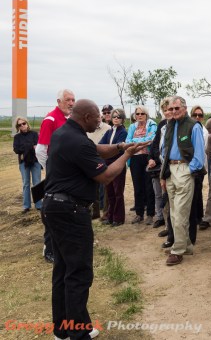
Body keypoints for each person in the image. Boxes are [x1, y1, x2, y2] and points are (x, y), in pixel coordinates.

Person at [42, 99, 148, 340]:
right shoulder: (78, 141)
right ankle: (79, 333)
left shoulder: (64, 133)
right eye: (98, 118)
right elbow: (106, 175)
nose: (101, 120)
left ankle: (63, 329)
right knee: (78, 273)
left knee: (62, 269)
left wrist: (121, 146)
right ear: (87, 118)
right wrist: (128, 155)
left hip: (54, 207)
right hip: (70, 212)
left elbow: (97, 150)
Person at [160, 96, 205, 266]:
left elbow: (200, 155)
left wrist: (188, 171)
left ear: (184, 108)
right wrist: (163, 175)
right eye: (170, 109)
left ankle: (177, 250)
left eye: (176, 108)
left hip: (184, 170)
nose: (173, 112)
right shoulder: (169, 125)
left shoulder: (194, 126)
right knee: (174, 212)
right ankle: (185, 245)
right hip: (170, 170)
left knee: (180, 213)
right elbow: (164, 151)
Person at [35, 88, 75, 264]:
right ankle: (49, 247)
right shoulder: (50, 120)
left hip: (69, 174)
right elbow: (41, 149)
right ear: (58, 102)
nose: (71, 103)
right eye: (67, 100)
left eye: (73, 100)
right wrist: (51, 169)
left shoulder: (70, 119)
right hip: (56, 175)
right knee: (52, 209)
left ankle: (65, 244)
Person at [125, 105, 157, 225]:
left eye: (142, 113)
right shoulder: (133, 127)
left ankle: (150, 214)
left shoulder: (152, 125)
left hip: (147, 157)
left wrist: (135, 142)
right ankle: (139, 213)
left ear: (146, 114)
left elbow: (151, 139)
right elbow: (128, 141)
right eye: (137, 114)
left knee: (149, 186)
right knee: (137, 186)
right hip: (135, 159)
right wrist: (141, 142)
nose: (139, 116)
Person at [98, 108, 128, 227]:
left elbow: (119, 149)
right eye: (114, 116)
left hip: (118, 164)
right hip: (107, 164)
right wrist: (108, 149)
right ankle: (110, 216)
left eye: (118, 117)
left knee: (117, 191)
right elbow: (101, 144)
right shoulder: (109, 131)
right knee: (109, 191)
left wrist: (108, 149)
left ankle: (118, 218)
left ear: (122, 119)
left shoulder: (123, 132)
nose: (116, 118)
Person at [149, 98, 172, 230]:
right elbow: (156, 143)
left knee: (168, 197)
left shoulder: (176, 125)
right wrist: (151, 158)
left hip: (169, 167)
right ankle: (163, 221)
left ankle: (170, 228)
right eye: (165, 110)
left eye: (169, 109)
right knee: (159, 194)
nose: (167, 112)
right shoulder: (162, 125)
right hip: (159, 165)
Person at [187, 105, 208, 244]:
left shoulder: (203, 130)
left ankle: (198, 217)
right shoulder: (190, 128)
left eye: (200, 115)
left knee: (197, 194)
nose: (198, 117)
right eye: (195, 115)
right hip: (189, 167)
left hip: (200, 168)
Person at [13, 117, 42, 213]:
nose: (22, 126)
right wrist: (30, 146)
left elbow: (38, 146)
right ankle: (26, 206)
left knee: (37, 183)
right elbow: (16, 150)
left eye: (23, 123)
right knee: (26, 184)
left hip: (35, 161)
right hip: (23, 163)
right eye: (19, 125)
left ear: (27, 123)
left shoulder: (34, 134)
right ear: (17, 127)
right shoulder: (17, 137)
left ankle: (39, 205)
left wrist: (24, 147)